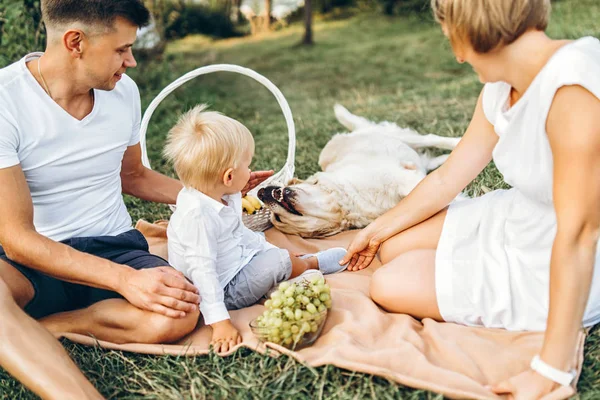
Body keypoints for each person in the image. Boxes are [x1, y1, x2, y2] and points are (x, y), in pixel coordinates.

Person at [0, 1, 274, 398]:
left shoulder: (123, 92)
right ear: (75, 42)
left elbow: (134, 176)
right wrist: (125, 282)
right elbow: (17, 239)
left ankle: (52, 326)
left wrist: (214, 194)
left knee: (181, 313)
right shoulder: (6, 101)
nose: (130, 61)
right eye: (120, 49)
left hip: (116, 247)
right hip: (35, 258)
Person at [340, 0, 600, 398]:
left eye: (452, 40)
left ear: (475, 30)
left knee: (389, 284)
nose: (458, 57)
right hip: (520, 217)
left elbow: (580, 235)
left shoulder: (573, 90)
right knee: (390, 247)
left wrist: (551, 369)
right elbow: (448, 177)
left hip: (555, 259)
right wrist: (377, 229)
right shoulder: (501, 86)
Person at [163, 105, 348, 353]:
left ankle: (283, 272)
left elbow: (238, 235)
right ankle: (310, 263)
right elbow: (203, 273)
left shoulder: (221, 195)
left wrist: (261, 246)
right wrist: (220, 323)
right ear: (228, 177)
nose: (250, 171)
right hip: (223, 288)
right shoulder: (198, 217)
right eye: (247, 166)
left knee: (265, 246)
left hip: (235, 261)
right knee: (280, 260)